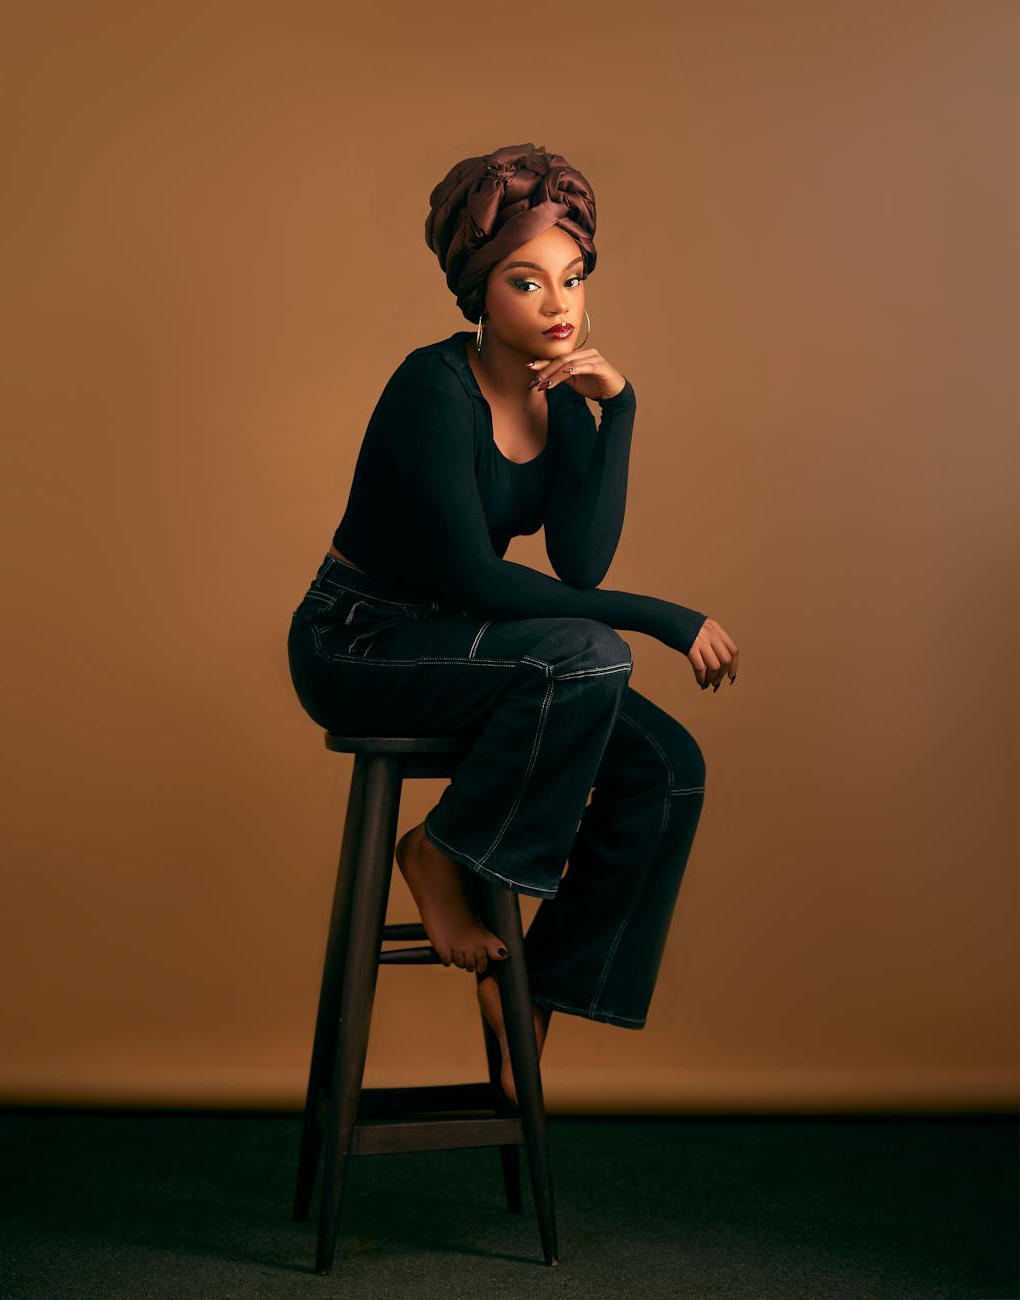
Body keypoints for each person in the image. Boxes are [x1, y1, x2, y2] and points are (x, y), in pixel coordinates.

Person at [287, 142, 740, 1103]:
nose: (557, 304)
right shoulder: (430, 390)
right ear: (478, 291)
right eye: (525, 281)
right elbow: (480, 581)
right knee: (591, 653)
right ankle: (440, 850)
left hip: (469, 649)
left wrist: (617, 414)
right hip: (361, 640)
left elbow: (579, 561)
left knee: (668, 773)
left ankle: (532, 996)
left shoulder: (560, 399)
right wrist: (662, 617)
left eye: (572, 278)